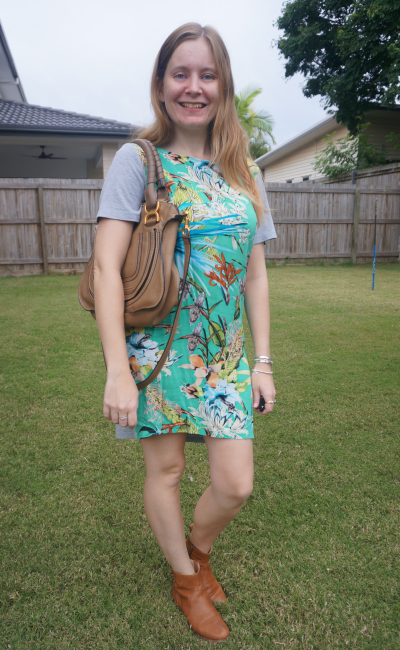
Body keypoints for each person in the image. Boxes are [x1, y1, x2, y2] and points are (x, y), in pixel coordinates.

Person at [93, 22, 276, 642]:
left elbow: (254, 276)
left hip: (224, 356)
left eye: (207, 74)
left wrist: (264, 361)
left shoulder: (244, 171)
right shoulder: (138, 160)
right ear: (162, 83)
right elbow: (105, 267)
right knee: (166, 472)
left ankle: (197, 550)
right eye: (181, 73)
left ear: (221, 85)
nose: (194, 87)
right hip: (157, 349)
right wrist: (118, 368)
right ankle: (185, 578)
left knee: (236, 484)